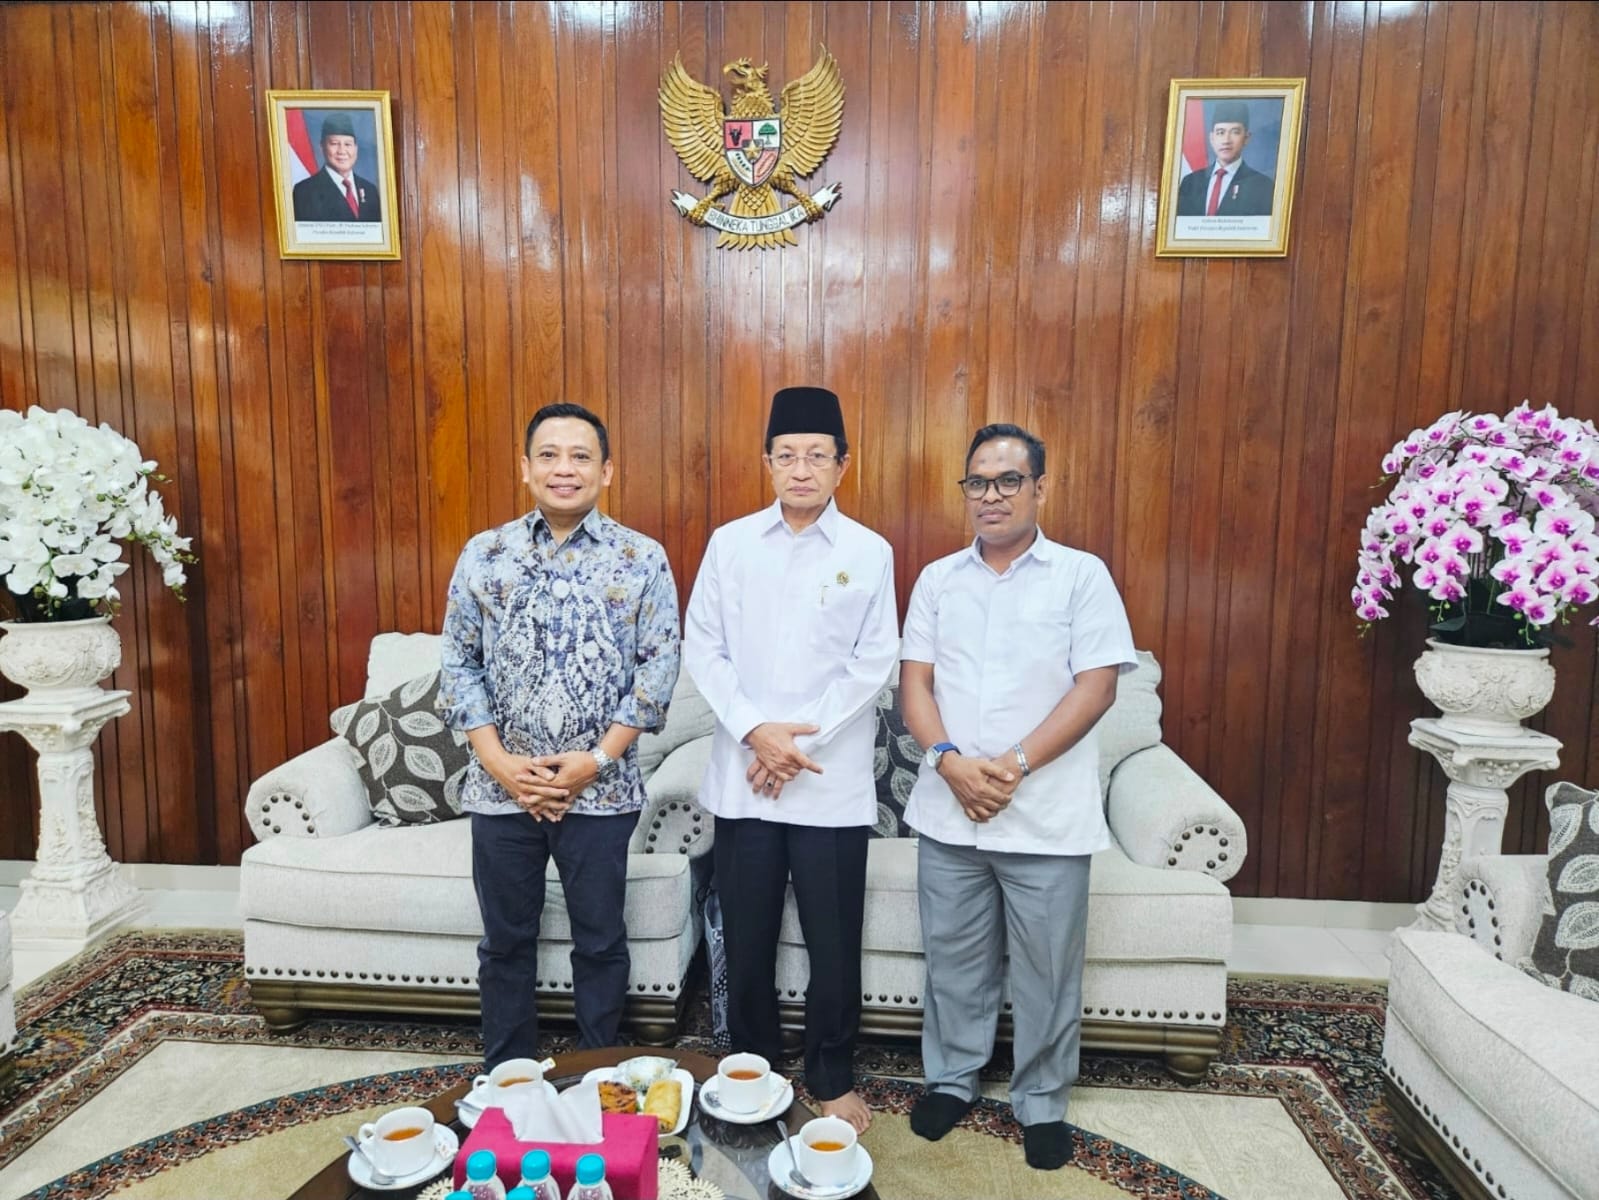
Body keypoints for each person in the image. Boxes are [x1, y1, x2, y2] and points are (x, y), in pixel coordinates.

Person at [900, 423, 1136, 1170]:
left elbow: (1096, 686)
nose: (991, 495)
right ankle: (951, 1080)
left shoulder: (1080, 576)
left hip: (1044, 813)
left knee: (1046, 969)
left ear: (1040, 487)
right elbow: (915, 685)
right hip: (950, 809)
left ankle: (1040, 1101)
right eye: (978, 481)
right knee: (953, 960)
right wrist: (949, 763)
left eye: (1008, 480)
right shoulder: (938, 579)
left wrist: (1012, 765)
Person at [437, 403, 681, 1067]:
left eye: (580, 456)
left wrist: (594, 762)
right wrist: (500, 764)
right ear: (525, 468)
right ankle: (508, 1077)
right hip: (501, 792)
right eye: (548, 455)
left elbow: (658, 669)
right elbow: (458, 664)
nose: (564, 468)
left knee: (600, 942)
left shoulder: (640, 557)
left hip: (600, 792)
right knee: (504, 944)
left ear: (607, 470)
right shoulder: (484, 554)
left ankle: (595, 1076)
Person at [683, 385, 898, 1134]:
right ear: (767, 463)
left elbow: (873, 662)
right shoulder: (730, 543)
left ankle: (831, 1073)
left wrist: (793, 744)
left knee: (832, 939)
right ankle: (753, 1067)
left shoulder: (869, 552)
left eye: (816, 456)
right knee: (747, 935)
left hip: (826, 780)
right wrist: (756, 732)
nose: (800, 469)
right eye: (786, 455)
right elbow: (702, 647)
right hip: (746, 777)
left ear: (843, 464)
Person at [1175, 100, 1275, 217]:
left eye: (1235, 132)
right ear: (1212, 138)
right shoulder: (1190, 182)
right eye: (1220, 132)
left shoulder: (1262, 186)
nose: (1226, 140)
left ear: (1246, 138)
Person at [292, 111, 382, 222]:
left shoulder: (370, 190)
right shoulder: (305, 192)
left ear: (356, 148)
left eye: (348, 144)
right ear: (322, 146)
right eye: (334, 144)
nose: (342, 151)